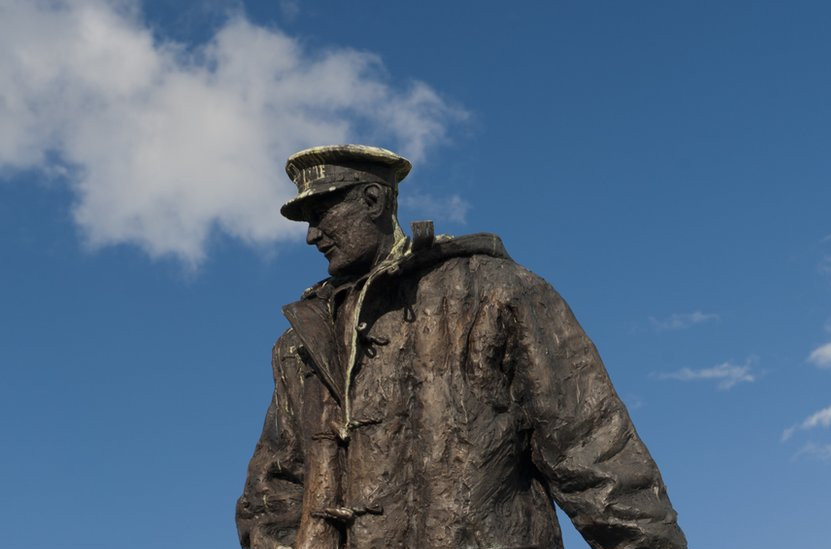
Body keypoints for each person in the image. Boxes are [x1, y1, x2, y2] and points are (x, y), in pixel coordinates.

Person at [236, 145, 688, 549]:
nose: (312, 236)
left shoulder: (494, 291)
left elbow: (597, 458)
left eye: (322, 213)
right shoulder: (301, 344)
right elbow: (270, 498)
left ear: (373, 200)